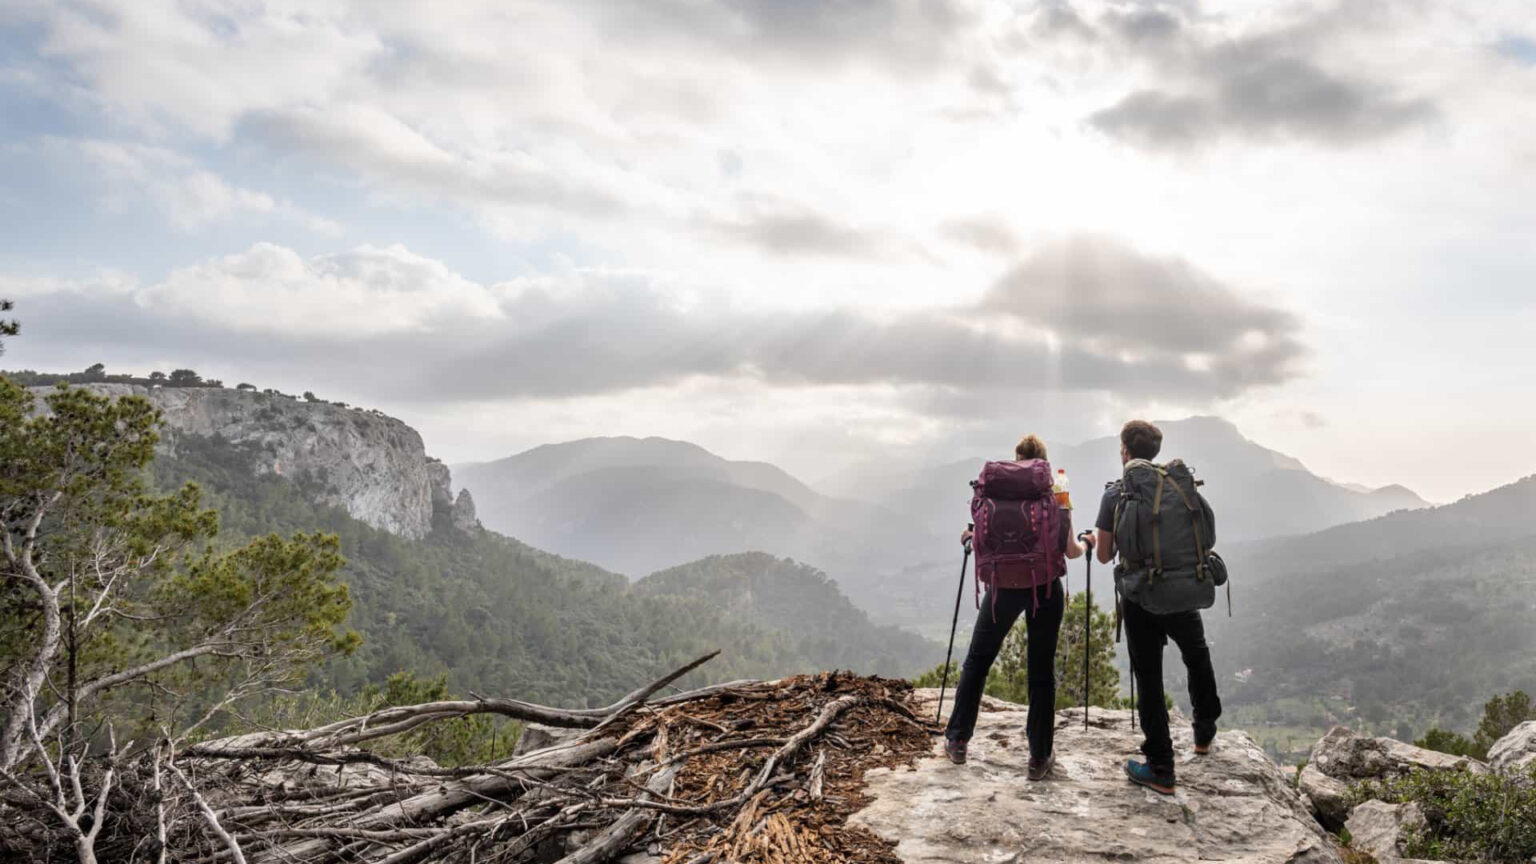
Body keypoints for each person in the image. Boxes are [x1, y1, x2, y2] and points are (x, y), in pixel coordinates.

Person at [1087, 420, 1223, 795]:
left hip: (1140, 597)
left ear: (1124, 451)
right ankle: (1204, 730)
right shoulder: (1177, 484)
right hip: (1183, 590)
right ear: (1155, 452)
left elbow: (1104, 555)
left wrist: (1097, 539)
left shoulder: (1116, 494)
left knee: (1148, 677)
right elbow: (1206, 537)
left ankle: (1161, 766)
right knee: (1196, 654)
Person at [945, 434, 1089, 780]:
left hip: (1002, 587)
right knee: (1041, 671)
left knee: (978, 661)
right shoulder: (1057, 494)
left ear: (1016, 459)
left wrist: (970, 536)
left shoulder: (995, 492)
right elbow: (1070, 551)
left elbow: (984, 536)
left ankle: (958, 739)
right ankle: (1039, 757)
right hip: (1045, 588)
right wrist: (1086, 542)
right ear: (1043, 463)